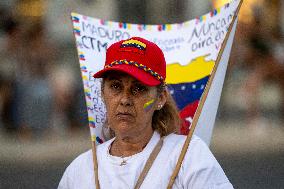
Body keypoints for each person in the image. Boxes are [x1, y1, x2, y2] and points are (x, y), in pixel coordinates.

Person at [58, 37, 233, 189]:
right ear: (103, 93)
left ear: (160, 98)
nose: (125, 99)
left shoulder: (187, 155)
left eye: (138, 88)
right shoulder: (80, 170)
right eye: (116, 87)